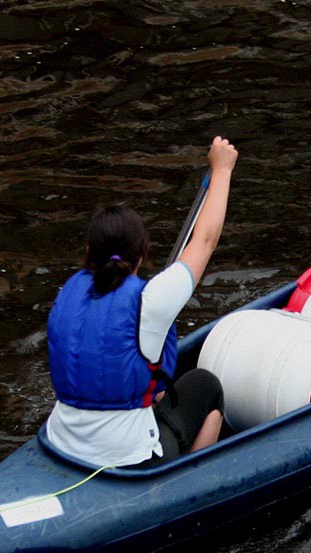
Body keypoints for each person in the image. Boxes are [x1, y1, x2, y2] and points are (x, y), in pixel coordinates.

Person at [44, 136, 238, 467]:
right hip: (130, 459)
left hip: (60, 444)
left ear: (88, 252)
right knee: (206, 386)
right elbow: (205, 239)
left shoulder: (68, 291)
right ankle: (183, 484)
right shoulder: (152, 301)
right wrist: (222, 168)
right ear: (142, 255)